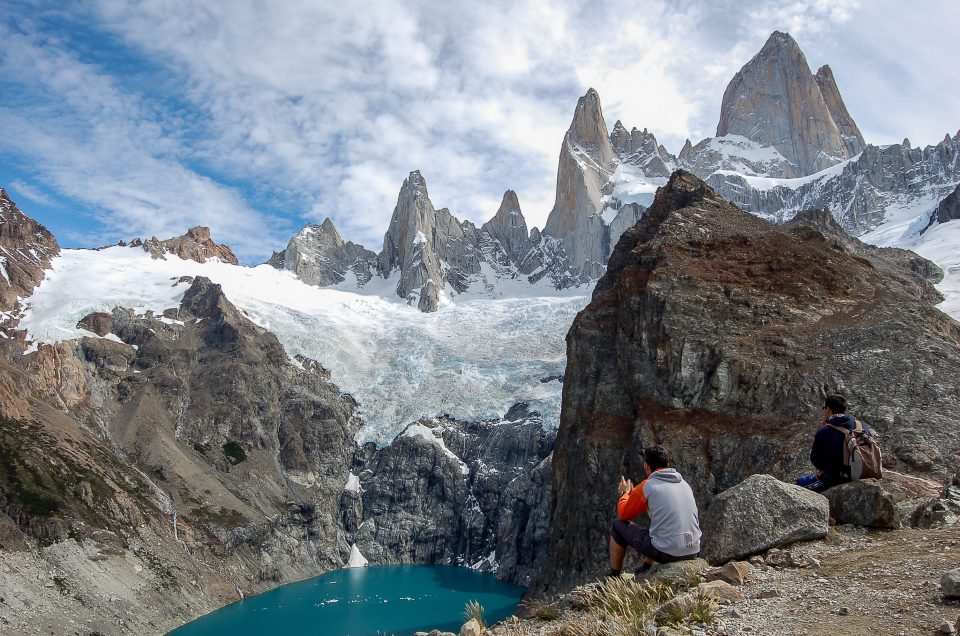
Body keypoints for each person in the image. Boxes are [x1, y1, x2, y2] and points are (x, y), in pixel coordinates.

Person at [607, 445, 701, 577]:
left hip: (668, 553)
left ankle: (614, 574)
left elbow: (624, 514)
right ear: (667, 464)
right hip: (693, 550)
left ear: (646, 466)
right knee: (658, 524)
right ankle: (647, 566)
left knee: (618, 525)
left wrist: (625, 493)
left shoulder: (647, 486)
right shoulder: (684, 484)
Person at [796, 394, 860, 492]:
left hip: (837, 477)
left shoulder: (825, 432)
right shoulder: (858, 424)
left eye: (824, 408)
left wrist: (820, 431)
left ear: (828, 410)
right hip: (860, 471)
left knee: (799, 485)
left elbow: (817, 461)